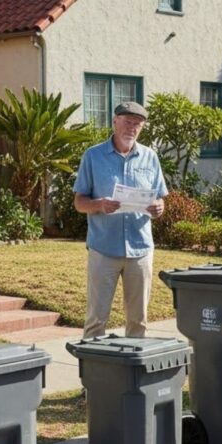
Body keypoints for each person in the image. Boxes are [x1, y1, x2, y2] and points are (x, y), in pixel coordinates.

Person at [73, 101, 167, 339]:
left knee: (139, 320)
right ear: (115, 122)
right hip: (104, 249)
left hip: (141, 250)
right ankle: (93, 372)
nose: (132, 128)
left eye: (137, 124)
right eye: (127, 122)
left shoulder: (150, 157)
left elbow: (160, 199)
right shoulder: (93, 156)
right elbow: (79, 202)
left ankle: (132, 373)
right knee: (96, 320)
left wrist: (159, 207)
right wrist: (99, 205)